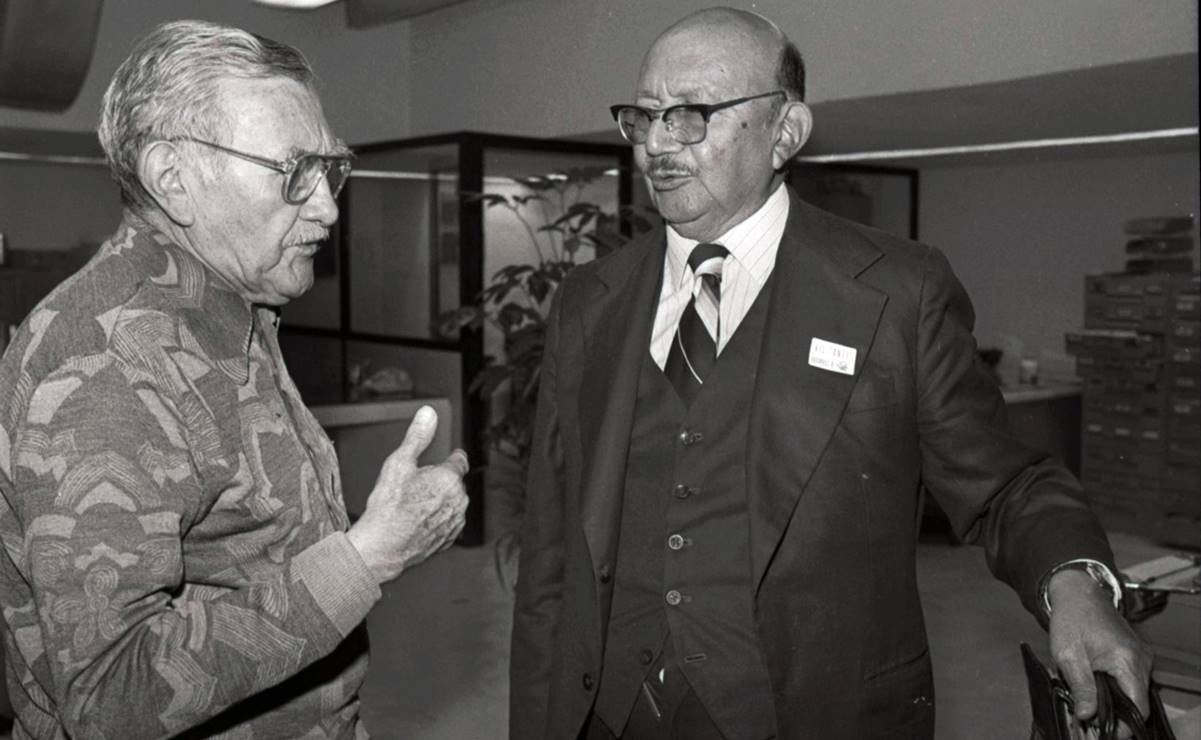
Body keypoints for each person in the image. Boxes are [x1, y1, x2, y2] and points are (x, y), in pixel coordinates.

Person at [510, 7, 1151, 739]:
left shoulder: (894, 293)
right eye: (643, 116)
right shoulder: (589, 303)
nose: (657, 143)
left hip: (806, 712)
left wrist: (1075, 584)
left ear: (784, 132)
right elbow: (552, 556)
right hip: (607, 715)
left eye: (690, 115)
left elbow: (1004, 484)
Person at [0, 20, 469, 738]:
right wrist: (366, 555)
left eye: (330, 169)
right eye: (293, 173)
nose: (327, 206)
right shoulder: (102, 366)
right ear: (172, 179)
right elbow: (109, 698)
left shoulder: (230, 310)